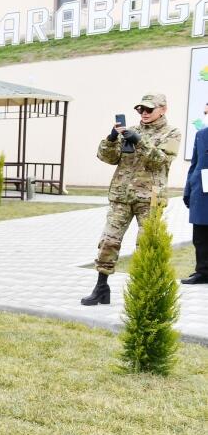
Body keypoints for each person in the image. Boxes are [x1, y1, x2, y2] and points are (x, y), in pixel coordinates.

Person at [82, 93, 181, 306]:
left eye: (148, 110)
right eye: (140, 110)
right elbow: (108, 158)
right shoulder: (131, 130)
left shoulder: (172, 133)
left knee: (146, 245)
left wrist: (138, 141)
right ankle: (101, 288)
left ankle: (144, 294)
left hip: (150, 198)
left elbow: (161, 161)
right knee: (109, 241)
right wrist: (111, 138)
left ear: (163, 109)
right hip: (122, 195)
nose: (143, 113)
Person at [182, 123, 208, 284]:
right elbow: (194, 164)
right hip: (201, 190)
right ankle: (203, 272)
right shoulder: (201, 134)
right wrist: (188, 189)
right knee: (199, 236)